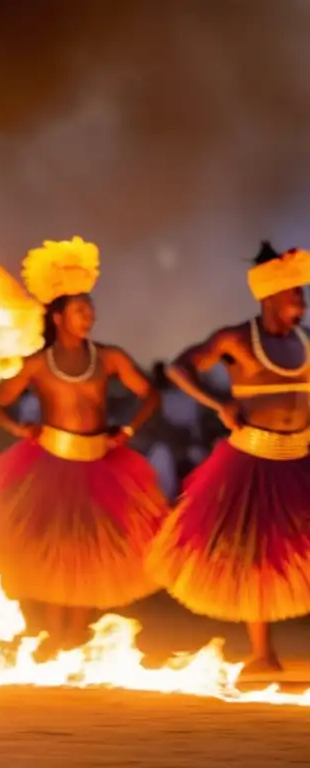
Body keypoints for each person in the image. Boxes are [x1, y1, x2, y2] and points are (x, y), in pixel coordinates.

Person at [0, 237, 166, 655]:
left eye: (90, 309)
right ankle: (56, 636)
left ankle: (76, 637)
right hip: (50, 463)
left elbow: (149, 394)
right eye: (80, 310)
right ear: (58, 316)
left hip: (100, 464)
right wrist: (19, 428)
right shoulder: (39, 363)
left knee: (89, 552)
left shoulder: (108, 357)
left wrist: (126, 431)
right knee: (56, 551)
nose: (89, 316)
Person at [147, 241, 310, 673]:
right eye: (296, 292)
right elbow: (180, 368)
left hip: (300, 458)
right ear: (271, 295)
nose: (303, 301)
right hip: (253, 461)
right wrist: (218, 402)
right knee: (259, 555)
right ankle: (262, 653)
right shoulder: (236, 340)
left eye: (303, 293)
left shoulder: (306, 342)